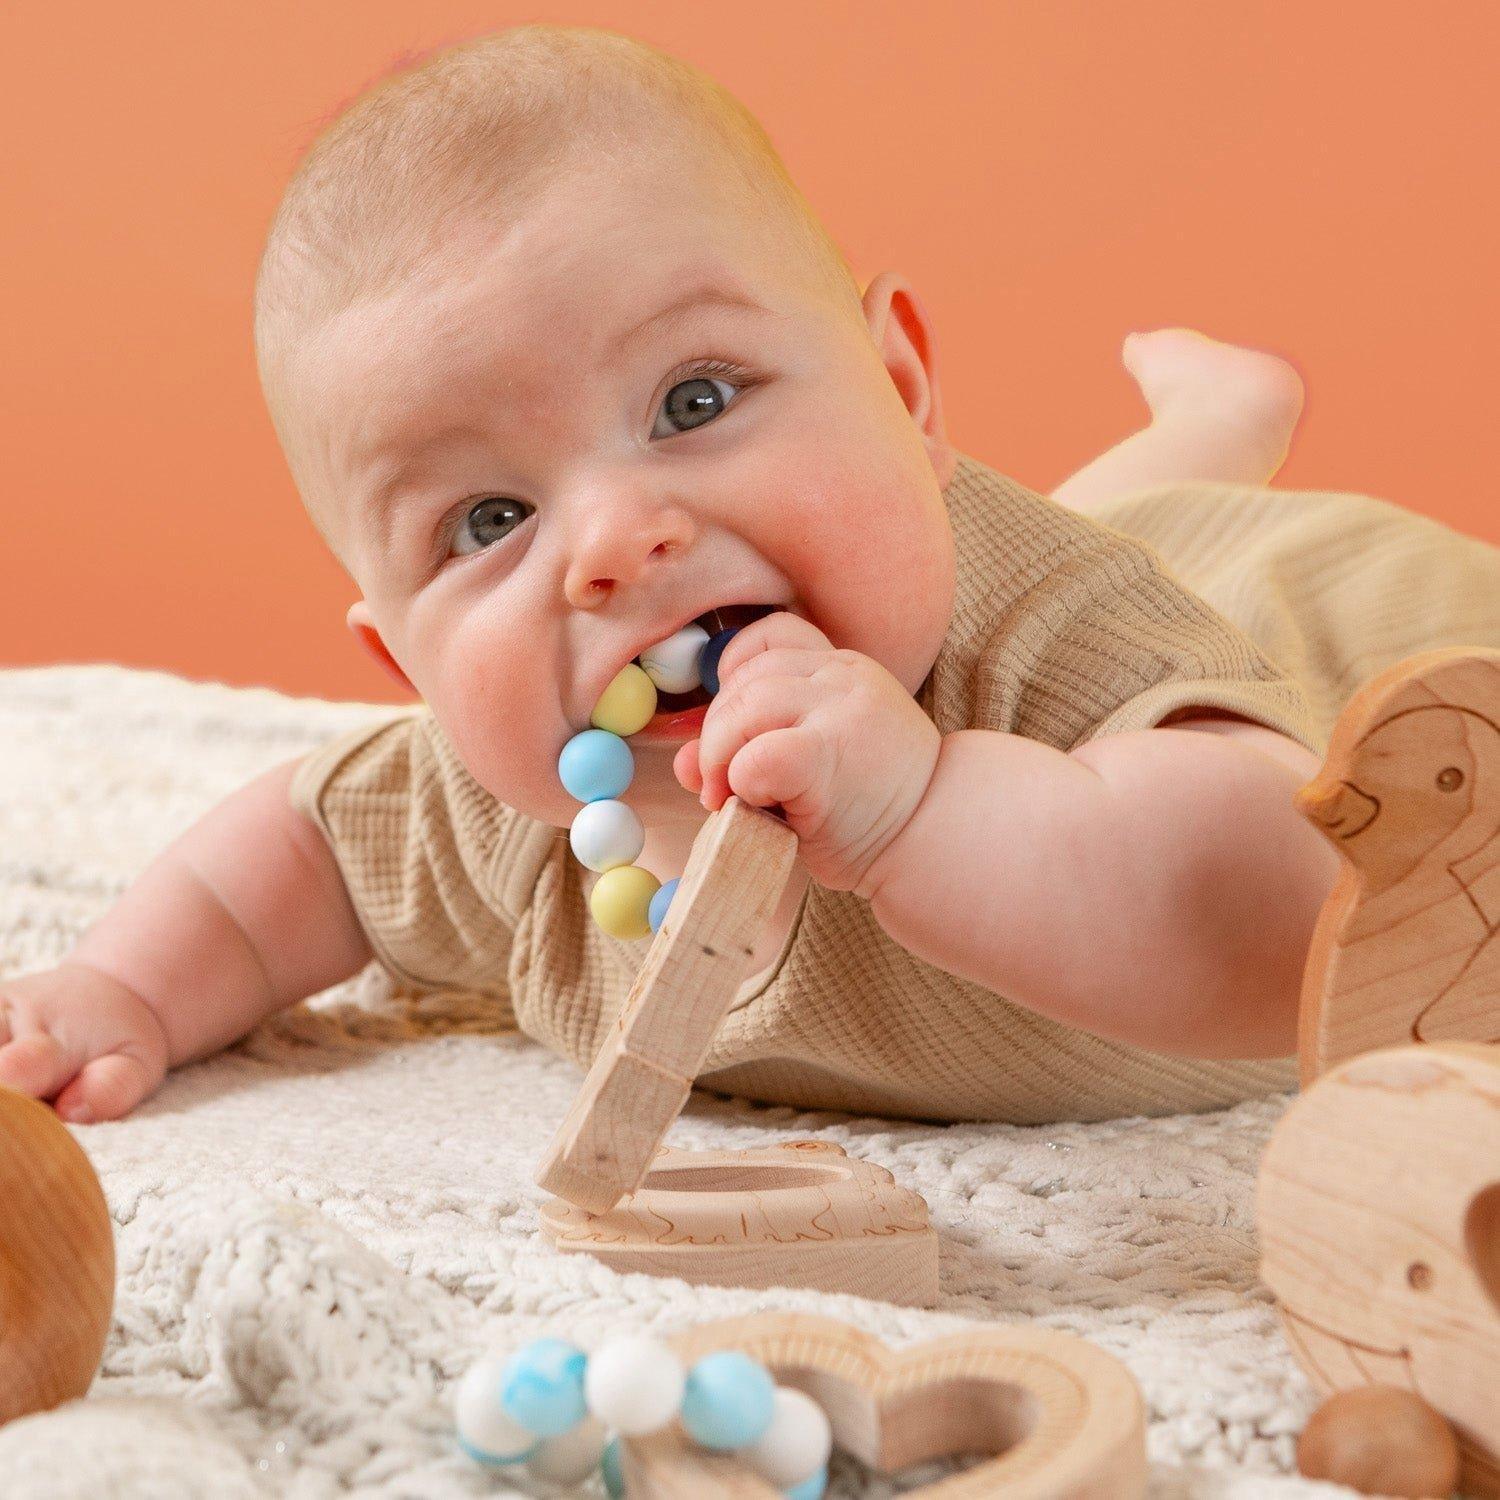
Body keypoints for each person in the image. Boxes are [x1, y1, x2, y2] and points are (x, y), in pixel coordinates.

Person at [4, 26, 1497, 1126]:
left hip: (1324, 626)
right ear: (407, 670)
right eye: (486, 521)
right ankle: (1201, 433)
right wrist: (121, 989)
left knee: (1162, 542)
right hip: (1026, 547)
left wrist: (922, 810)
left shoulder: (1061, 640)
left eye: (695, 401)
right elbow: (294, 858)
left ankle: (1213, 437)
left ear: (902, 383)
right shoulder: (515, 806)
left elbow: (1297, 910)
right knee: (1105, 514)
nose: (609, 543)